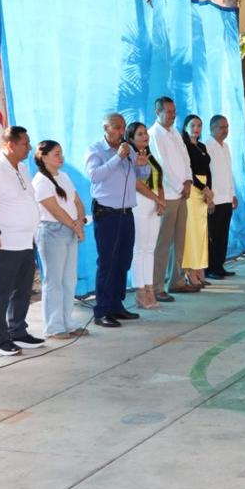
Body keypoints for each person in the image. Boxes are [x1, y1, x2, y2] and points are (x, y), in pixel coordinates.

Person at [86, 112, 152, 328]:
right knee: (108, 262)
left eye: (123, 127)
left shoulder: (128, 149)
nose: (121, 131)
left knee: (123, 261)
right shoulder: (96, 150)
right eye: (116, 127)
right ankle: (102, 310)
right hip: (107, 214)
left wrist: (142, 164)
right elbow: (94, 176)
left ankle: (116, 305)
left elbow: (142, 176)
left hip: (126, 213)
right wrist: (117, 157)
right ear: (106, 128)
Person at [0, 126, 41, 356]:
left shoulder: (22, 167)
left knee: (23, 289)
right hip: (6, 241)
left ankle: (18, 331)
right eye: (25, 143)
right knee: (1, 291)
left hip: (26, 240)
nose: (29, 147)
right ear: (10, 145)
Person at [33, 140, 92, 338]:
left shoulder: (64, 176)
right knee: (54, 280)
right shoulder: (40, 181)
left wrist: (79, 223)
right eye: (56, 154)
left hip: (70, 230)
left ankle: (68, 321)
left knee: (69, 279)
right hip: (52, 232)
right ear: (44, 157)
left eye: (61, 153)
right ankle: (53, 326)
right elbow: (55, 210)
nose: (61, 157)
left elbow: (77, 202)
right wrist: (75, 226)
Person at [149, 97, 196, 295]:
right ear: (158, 112)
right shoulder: (154, 134)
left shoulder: (175, 132)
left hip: (182, 193)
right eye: (168, 112)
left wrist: (188, 180)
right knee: (163, 243)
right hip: (167, 195)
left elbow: (186, 159)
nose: (172, 115)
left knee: (179, 241)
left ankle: (177, 280)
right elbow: (161, 166)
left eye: (174, 111)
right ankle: (157, 286)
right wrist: (179, 185)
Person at [127, 121, 168, 306]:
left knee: (150, 249)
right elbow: (136, 183)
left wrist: (161, 200)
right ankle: (140, 292)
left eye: (145, 133)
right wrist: (156, 199)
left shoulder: (149, 155)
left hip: (154, 203)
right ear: (131, 138)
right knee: (139, 249)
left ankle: (150, 289)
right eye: (140, 134)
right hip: (139, 203)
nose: (145, 136)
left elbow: (159, 181)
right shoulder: (131, 156)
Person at [180, 115, 213, 286]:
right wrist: (203, 188)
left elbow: (208, 170)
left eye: (199, 125)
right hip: (193, 190)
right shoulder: (184, 146)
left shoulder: (201, 146)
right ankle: (190, 271)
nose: (196, 129)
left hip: (204, 190)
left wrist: (209, 191)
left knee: (202, 232)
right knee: (191, 232)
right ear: (186, 127)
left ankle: (200, 268)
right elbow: (189, 171)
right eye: (192, 125)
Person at [205, 114, 238, 278]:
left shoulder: (226, 147)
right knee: (213, 235)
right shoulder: (207, 146)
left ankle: (220, 265)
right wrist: (209, 198)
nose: (225, 130)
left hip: (226, 198)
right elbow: (207, 175)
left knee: (223, 234)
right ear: (212, 128)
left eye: (227, 127)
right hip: (214, 199)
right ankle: (211, 268)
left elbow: (228, 173)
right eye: (221, 127)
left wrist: (233, 194)